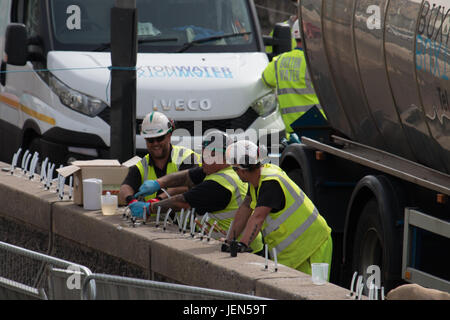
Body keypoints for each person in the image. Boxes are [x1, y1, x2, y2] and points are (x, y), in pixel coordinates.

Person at [127, 130, 263, 254]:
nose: (202, 158)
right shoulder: (217, 169)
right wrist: (159, 183)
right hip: (230, 242)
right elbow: (187, 176)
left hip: (242, 249)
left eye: (208, 155)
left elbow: (182, 202)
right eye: (202, 153)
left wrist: (149, 208)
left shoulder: (220, 183)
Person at [224, 140, 332, 278]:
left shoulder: (270, 182)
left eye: (235, 169)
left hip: (312, 244)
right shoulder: (258, 179)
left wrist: (243, 245)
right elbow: (245, 208)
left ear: (242, 170)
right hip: (297, 249)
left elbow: (258, 217)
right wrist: (230, 241)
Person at [262, 18, 325, 141]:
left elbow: (266, 80)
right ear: (310, 36)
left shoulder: (279, 61)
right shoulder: (317, 62)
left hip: (291, 133)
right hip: (319, 129)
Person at [119, 111, 200, 206]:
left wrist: (159, 200)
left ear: (169, 135)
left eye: (160, 138)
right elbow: (125, 187)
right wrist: (131, 200)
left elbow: (188, 185)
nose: (155, 143)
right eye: (150, 140)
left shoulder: (187, 157)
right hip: (154, 219)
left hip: (184, 220)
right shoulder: (142, 165)